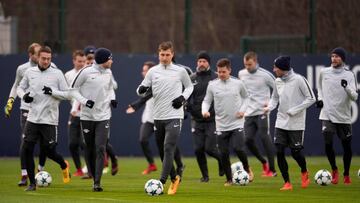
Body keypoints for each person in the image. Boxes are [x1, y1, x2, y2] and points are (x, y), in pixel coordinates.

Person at [137, 41, 193, 195]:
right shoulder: (153, 71)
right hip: (158, 116)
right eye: (162, 54)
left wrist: (182, 98)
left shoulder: (180, 71)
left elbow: (189, 87)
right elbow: (141, 89)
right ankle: (174, 177)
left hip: (175, 116)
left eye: (167, 54)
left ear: (172, 55)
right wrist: (141, 89)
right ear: (158, 54)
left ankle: (161, 181)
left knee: (168, 147)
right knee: (162, 151)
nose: (164, 57)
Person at [17, 46, 71, 191]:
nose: (46, 61)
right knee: (27, 149)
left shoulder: (57, 73)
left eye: (49, 58)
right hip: (32, 118)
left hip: (49, 120)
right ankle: (32, 184)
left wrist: (53, 92)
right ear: (38, 58)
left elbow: (67, 94)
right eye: (43, 58)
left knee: (49, 151)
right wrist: (24, 96)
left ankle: (64, 164)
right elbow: (19, 88)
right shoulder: (30, 72)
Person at [264, 56, 315, 191]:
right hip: (281, 122)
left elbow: (311, 98)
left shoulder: (299, 79)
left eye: (276, 67)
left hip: (296, 123)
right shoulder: (277, 81)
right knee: (279, 151)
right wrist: (269, 108)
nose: (274, 69)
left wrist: (294, 110)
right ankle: (287, 182)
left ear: (283, 68)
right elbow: (274, 99)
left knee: (295, 153)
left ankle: (304, 171)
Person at [70, 48, 117, 191]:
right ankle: (91, 173)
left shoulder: (108, 72)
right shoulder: (85, 72)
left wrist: (113, 99)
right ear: (103, 60)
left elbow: (110, 89)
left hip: (103, 116)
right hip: (87, 117)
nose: (112, 61)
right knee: (88, 147)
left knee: (101, 147)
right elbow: (73, 90)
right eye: (110, 58)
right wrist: (84, 101)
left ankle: (97, 182)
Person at [202, 58, 253, 186]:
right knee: (223, 153)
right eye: (219, 72)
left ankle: (247, 168)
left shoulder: (238, 83)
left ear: (229, 70)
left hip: (237, 123)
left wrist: (242, 110)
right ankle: (229, 179)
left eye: (224, 72)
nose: (221, 74)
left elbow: (246, 98)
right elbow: (207, 101)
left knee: (238, 148)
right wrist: (205, 111)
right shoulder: (212, 85)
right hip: (221, 124)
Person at [4, 43, 48, 186]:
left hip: (43, 111)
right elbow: (16, 86)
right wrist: (10, 101)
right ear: (31, 55)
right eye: (37, 53)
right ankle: (24, 175)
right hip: (26, 110)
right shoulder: (22, 69)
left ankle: (40, 171)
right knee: (26, 144)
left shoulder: (49, 68)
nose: (41, 56)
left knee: (45, 144)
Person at [316, 47, 358, 184]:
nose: (334, 59)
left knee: (347, 147)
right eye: (332, 56)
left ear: (342, 59)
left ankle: (346, 174)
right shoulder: (324, 72)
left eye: (337, 56)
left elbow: (355, 97)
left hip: (344, 116)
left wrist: (346, 87)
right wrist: (320, 99)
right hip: (327, 114)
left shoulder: (349, 75)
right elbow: (320, 88)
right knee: (328, 143)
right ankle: (334, 169)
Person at [238, 51, 277, 177]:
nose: (247, 67)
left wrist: (270, 105)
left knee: (264, 136)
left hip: (262, 111)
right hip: (248, 113)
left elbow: (278, 89)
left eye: (249, 64)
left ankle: (272, 169)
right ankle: (263, 162)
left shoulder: (265, 75)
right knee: (247, 140)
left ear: (255, 62)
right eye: (245, 64)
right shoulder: (241, 74)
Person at [187, 51, 224, 182]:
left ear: (208, 63)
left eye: (204, 61)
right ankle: (205, 176)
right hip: (196, 119)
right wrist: (188, 108)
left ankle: (222, 162)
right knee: (198, 149)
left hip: (212, 119)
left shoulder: (215, 77)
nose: (201, 64)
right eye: (199, 61)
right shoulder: (192, 78)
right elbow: (186, 96)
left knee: (210, 149)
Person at [126, 61, 158, 175]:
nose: (142, 72)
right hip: (149, 118)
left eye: (145, 70)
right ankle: (152, 164)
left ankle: (178, 164)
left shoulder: (160, 81)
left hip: (162, 118)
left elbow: (143, 97)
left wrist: (136, 105)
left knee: (168, 145)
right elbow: (140, 93)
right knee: (143, 139)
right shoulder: (145, 83)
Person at [65, 50, 86, 177]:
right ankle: (78, 169)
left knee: (85, 143)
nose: (82, 63)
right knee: (72, 144)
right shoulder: (68, 75)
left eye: (83, 61)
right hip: (73, 114)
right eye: (79, 61)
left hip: (86, 115)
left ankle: (90, 166)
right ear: (74, 61)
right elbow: (68, 93)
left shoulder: (87, 74)